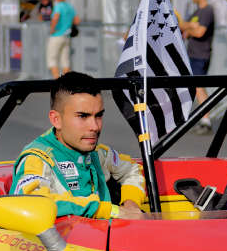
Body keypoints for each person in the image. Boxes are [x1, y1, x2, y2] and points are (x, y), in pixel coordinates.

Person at [9, 72, 145, 219]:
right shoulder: (38, 159)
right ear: (56, 119)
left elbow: (132, 169)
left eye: (98, 115)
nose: (94, 126)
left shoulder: (98, 153)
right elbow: (29, 202)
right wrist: (105, 210)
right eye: (83, 116)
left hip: (103, 237)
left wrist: (131, 204)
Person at [180, 0, 215, 130]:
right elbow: (183, 28)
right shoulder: (196, 13)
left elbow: (200, 32)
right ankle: (200, 117)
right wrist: (190, 26)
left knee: (199, 87)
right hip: (191, 54)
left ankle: (206, 120)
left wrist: (191, 27)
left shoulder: (207, 11)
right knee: (193, 87)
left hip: (201, 55)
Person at [46, 0, 76, 78]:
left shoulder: (58, 6)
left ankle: (57, 84)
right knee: (65, 61)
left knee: (52, 60)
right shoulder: (69, 6)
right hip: (66, 36)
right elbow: (77, 20)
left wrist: (52, 28)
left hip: (57, 35)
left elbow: (56, 17)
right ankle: (67, 85)